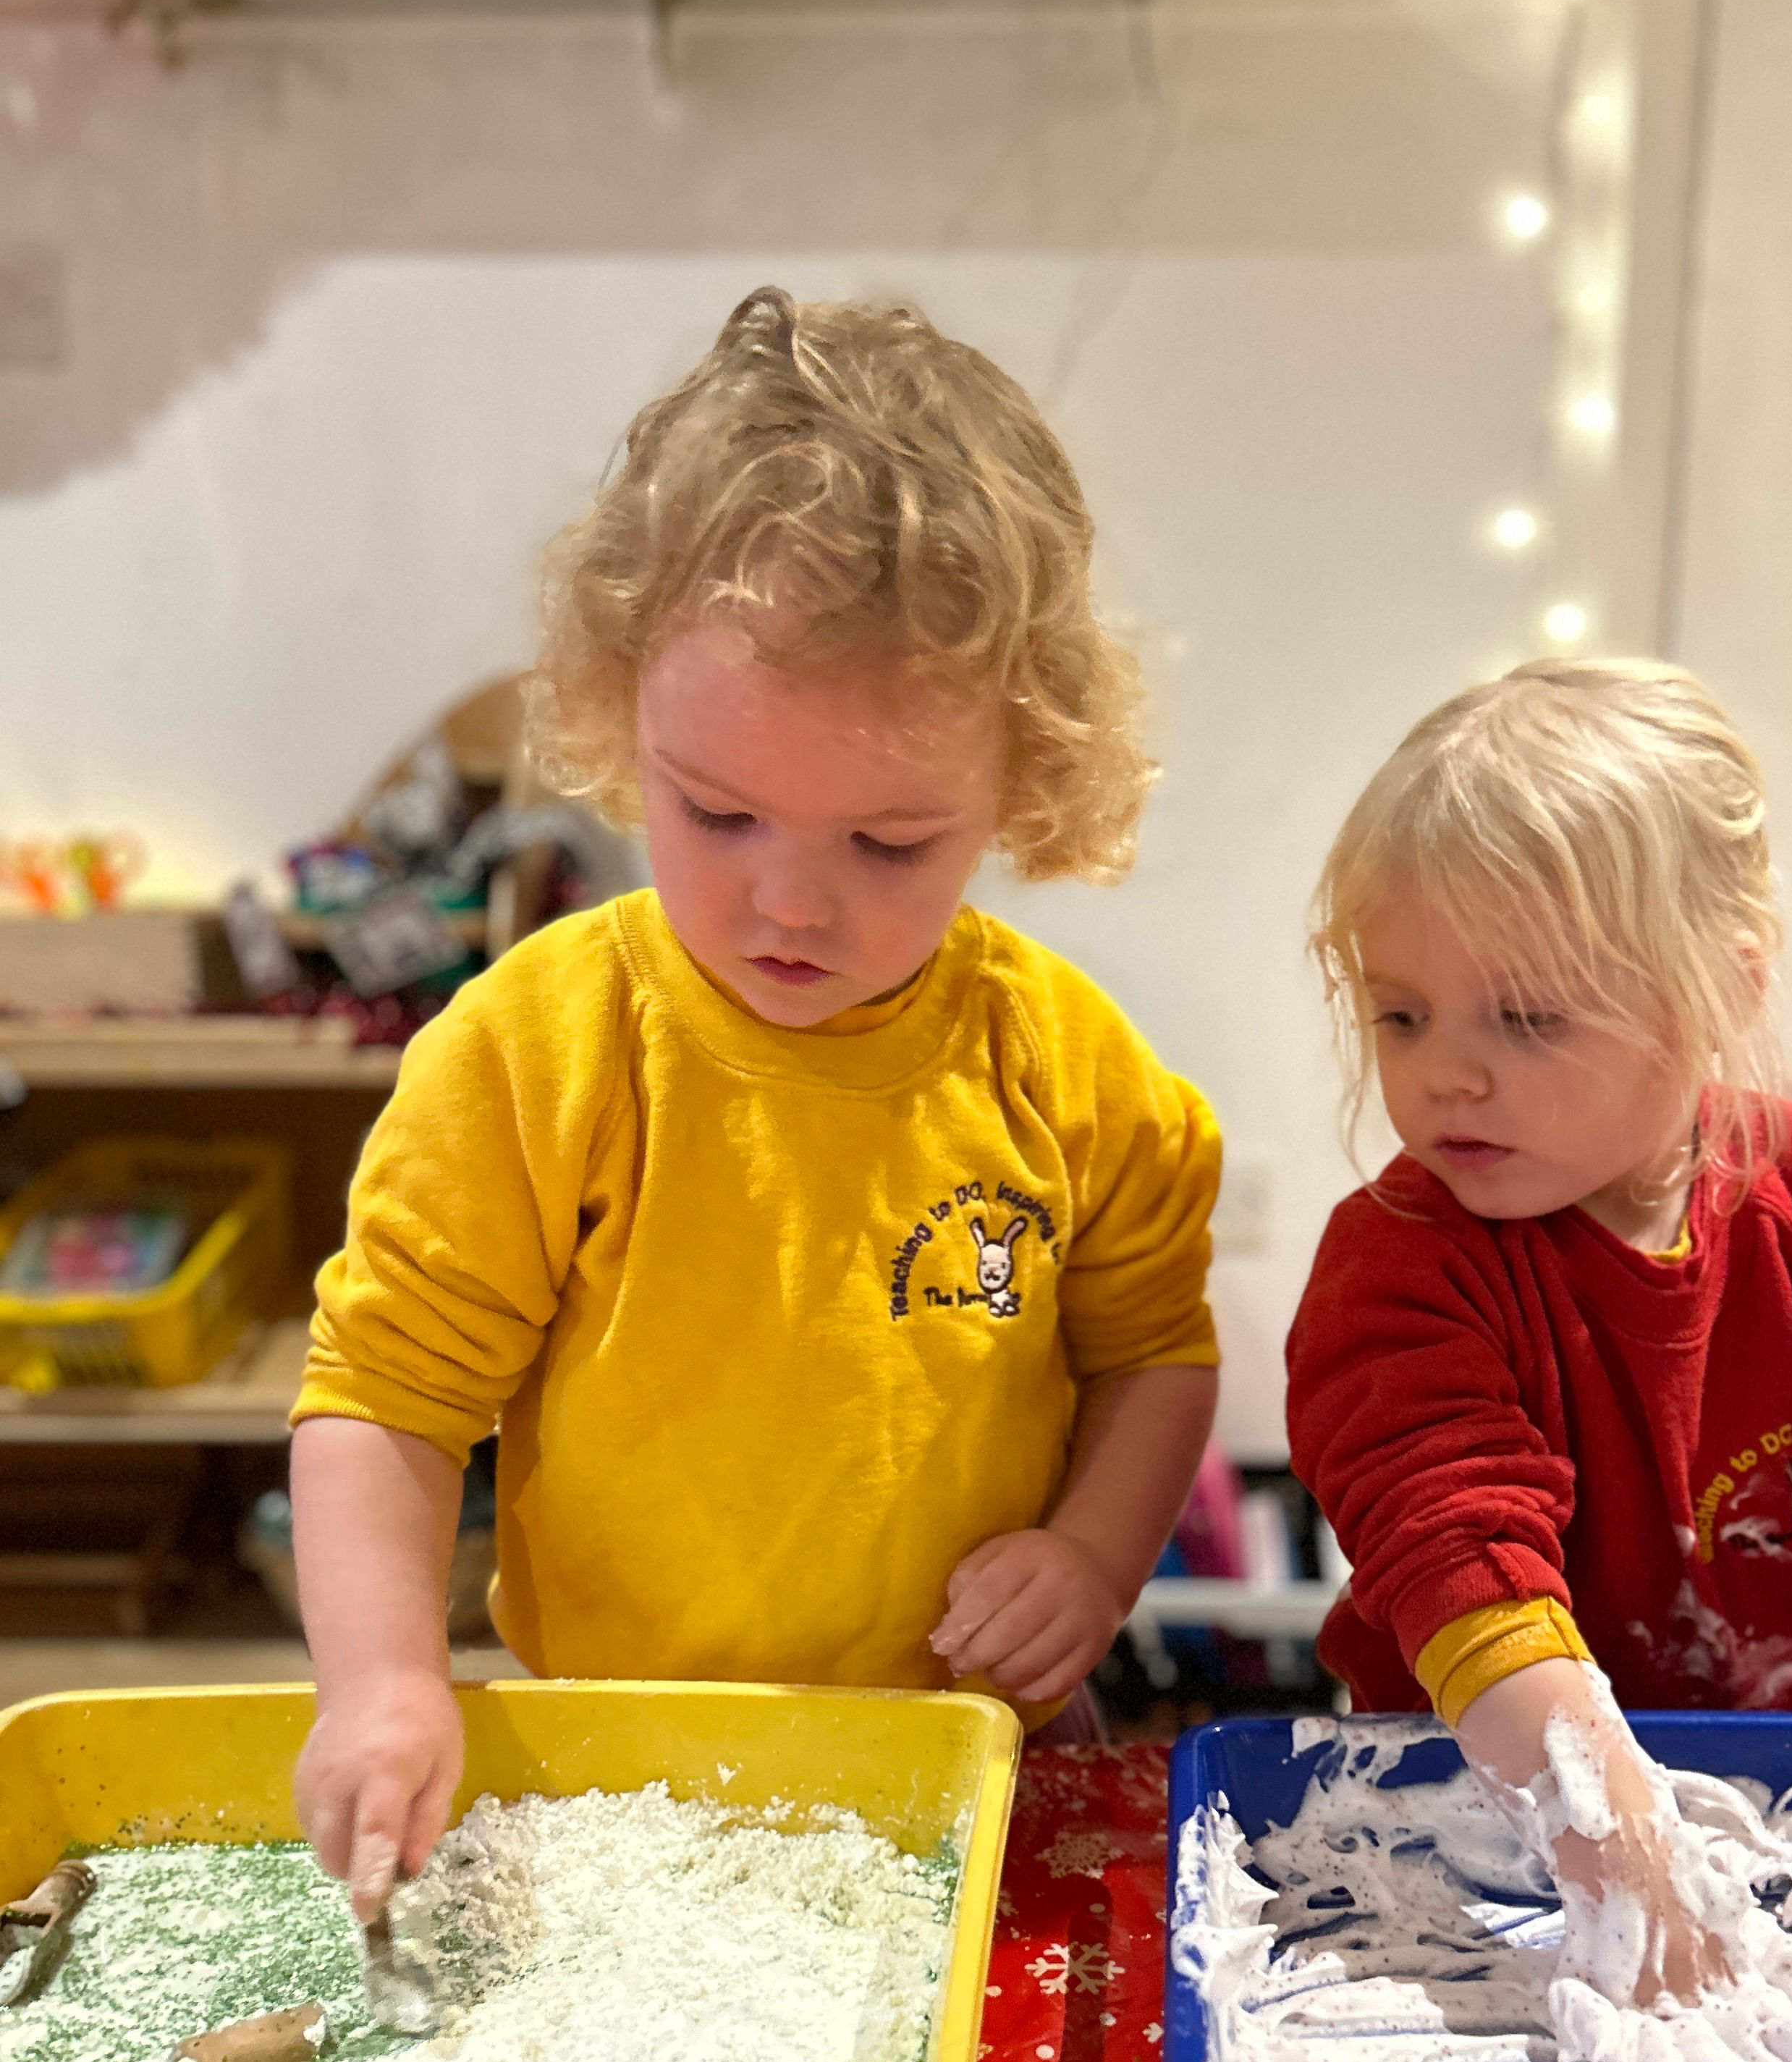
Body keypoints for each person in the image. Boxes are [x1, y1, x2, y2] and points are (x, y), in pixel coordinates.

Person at [292, 288, 1221, 1919]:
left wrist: (1092, 1555)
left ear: (1026, 772)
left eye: (887, 844)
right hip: (616, 1777)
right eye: (716, 812)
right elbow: (385, 1402)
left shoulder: (1066, 1067)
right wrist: (381, 1677)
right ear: (615, 708)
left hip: (978, 1764)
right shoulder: (538, 1053)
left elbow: (1153, 1354)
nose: (792, 904)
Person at [1287, 657, 1792, 2026]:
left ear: (1717, 991)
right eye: (1399, 1012)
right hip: (1482, 1820)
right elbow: (1452, 1546)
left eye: (1529, 1015)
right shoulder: (1398, 1261)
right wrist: (1627, 1861)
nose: (1445, 1072)